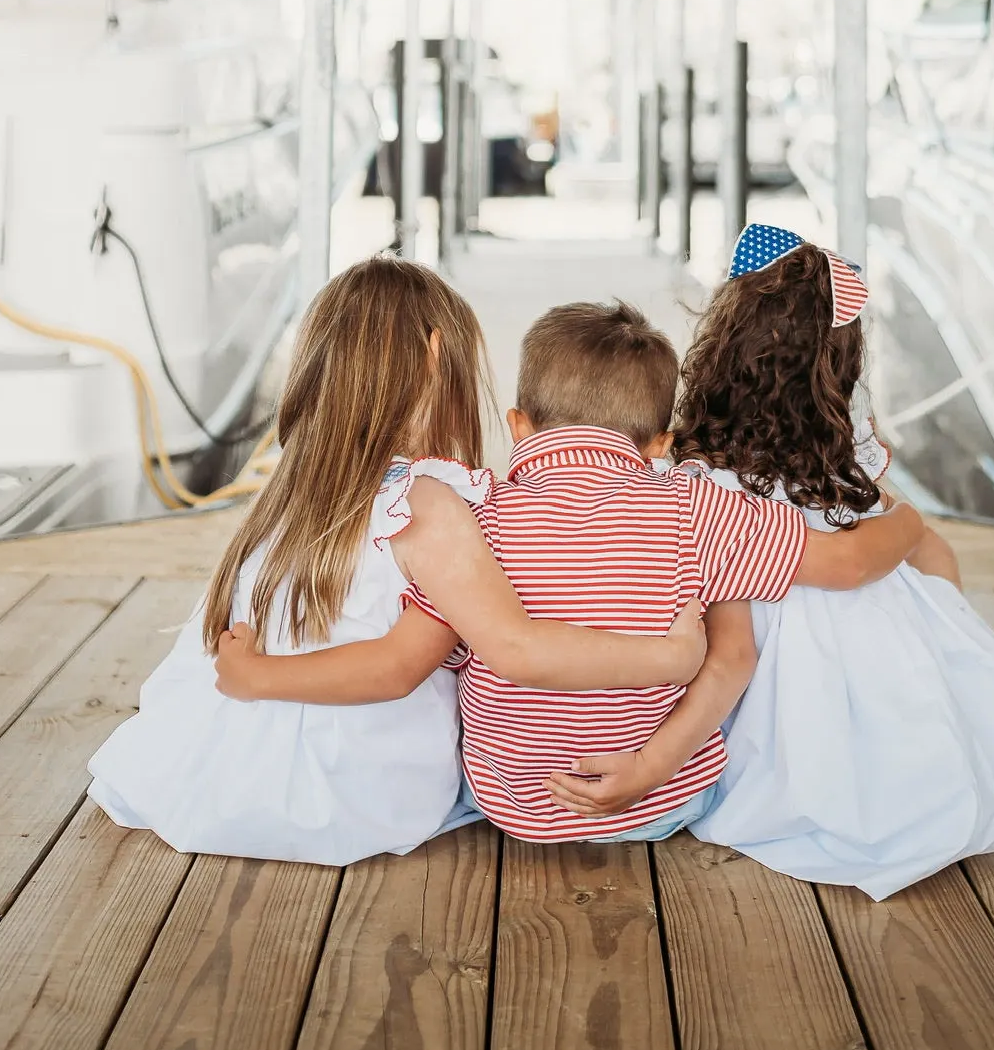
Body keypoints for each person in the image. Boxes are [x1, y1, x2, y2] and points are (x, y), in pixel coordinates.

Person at [220, 296, 929, 844]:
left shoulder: (476, 512)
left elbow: (416, 653)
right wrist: (908, 517)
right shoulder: (695, 502)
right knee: (738, 635)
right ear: (659, 442)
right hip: (662, 806)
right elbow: (843, 567)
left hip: (506, 803)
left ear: (519, 423)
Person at [87, 257, 706, 866]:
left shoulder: (295, 487)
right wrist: (668, 656)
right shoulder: (428, 503)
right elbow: (412, 668)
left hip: (219, 767)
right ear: (436, 357)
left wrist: (250, 681)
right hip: (343, 787)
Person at [664, 224, 994, 900]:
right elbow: (913, 555)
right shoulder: (845, 472)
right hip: (882, 656)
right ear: (837, 373)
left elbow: (833, 569)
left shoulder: (701, 484)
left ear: (720, 353)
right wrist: (920, 558)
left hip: (763, 667)